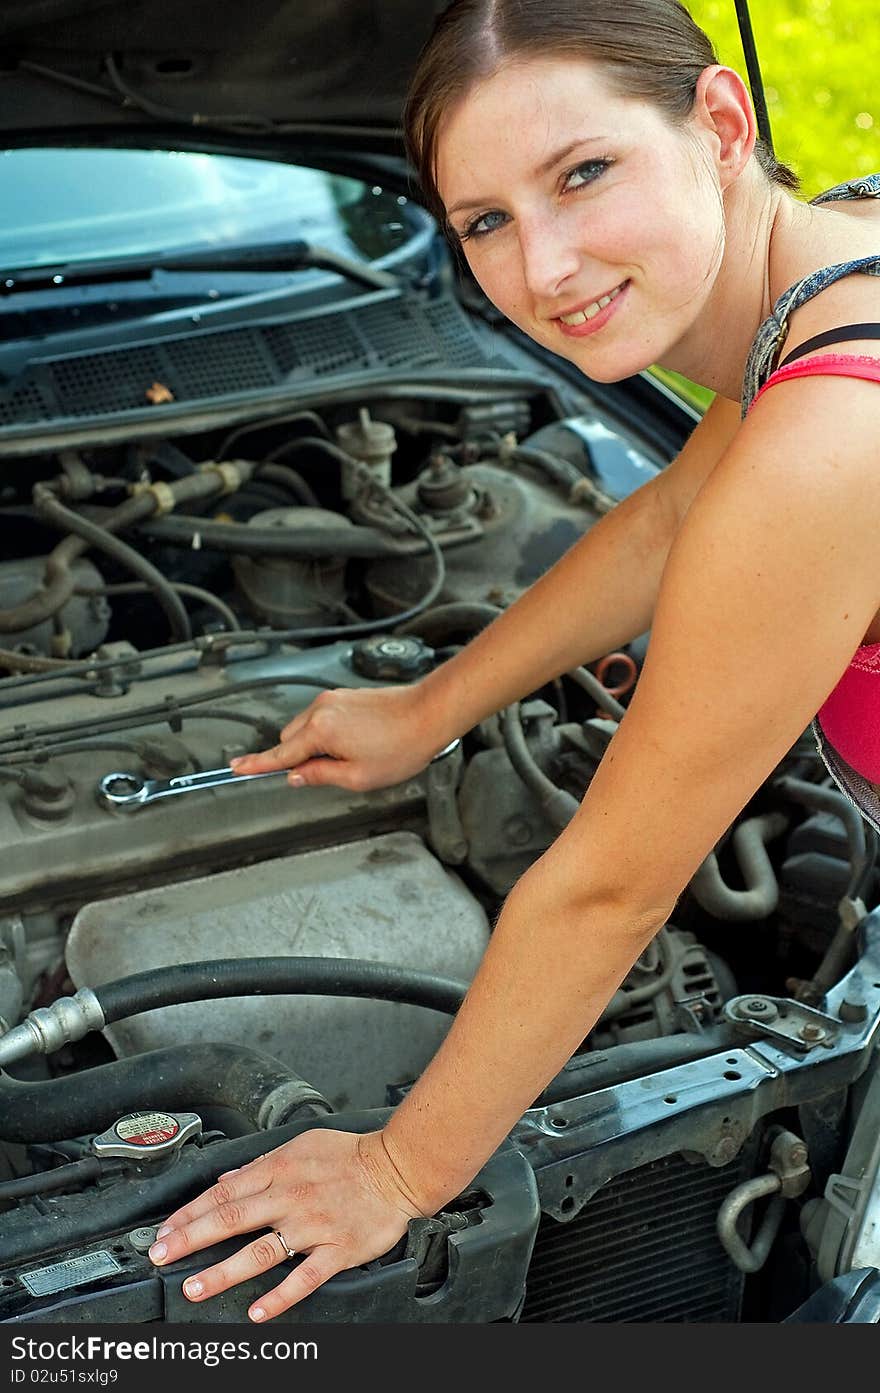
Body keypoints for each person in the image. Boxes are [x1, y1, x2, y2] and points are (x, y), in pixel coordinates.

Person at [147, 0, 880, 1320]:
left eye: (583, 172)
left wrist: (397, 1166)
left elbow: (612, 888)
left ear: (721, 120)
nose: (542, 267)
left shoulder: (833, 442)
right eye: (484, 221)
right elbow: (668, 515)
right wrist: (428, 710)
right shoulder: (829, 260)